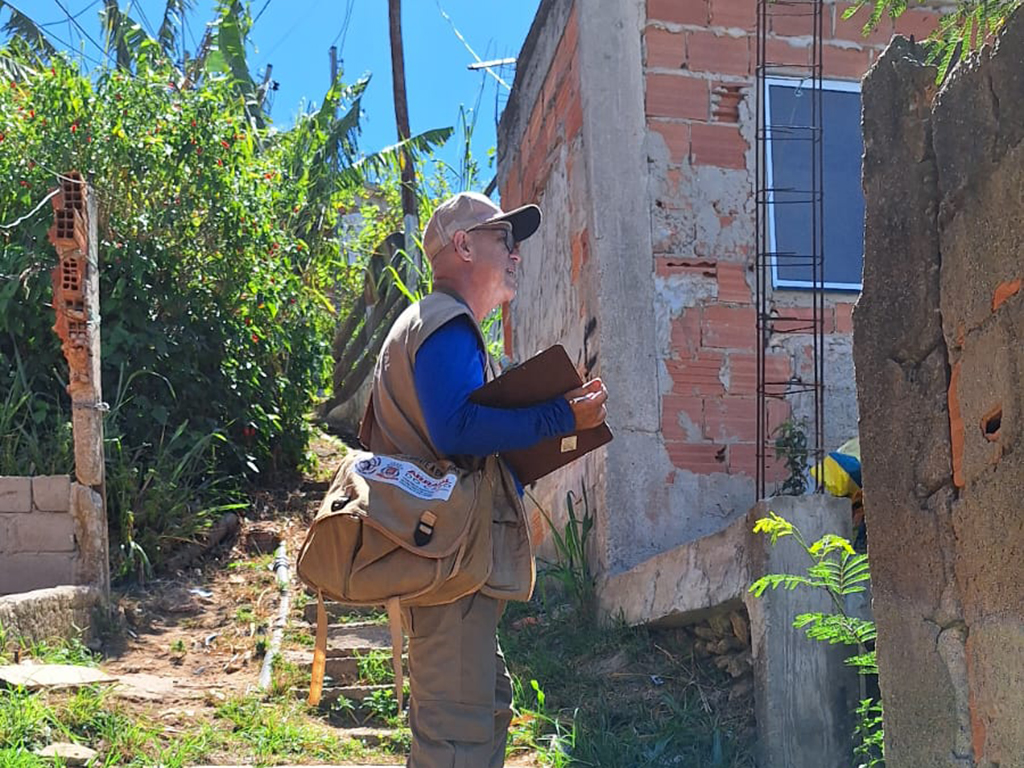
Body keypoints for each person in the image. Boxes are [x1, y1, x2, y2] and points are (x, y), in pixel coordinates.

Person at [361, 191, 609, 768]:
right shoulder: (443, 321)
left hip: (452, 565)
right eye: (504, 239)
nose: (515, 254)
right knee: (457, 739)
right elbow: (456, 430)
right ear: (463, 246)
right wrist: (561, 417)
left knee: (482, 715)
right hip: (447, 571)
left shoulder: (437, 326)